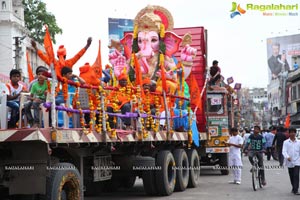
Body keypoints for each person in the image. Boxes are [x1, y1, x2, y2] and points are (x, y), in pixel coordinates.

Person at [282, 128, 300, 195]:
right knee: (291, 175)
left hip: (297, 161)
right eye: (291, 132)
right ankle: (294, 187)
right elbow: (284, 151)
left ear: (295, 133)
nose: (292, 134)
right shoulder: (286, 142)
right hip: (289, 161)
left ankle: (296, 189)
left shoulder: (299, 142)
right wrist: (287, 157)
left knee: (296, 175)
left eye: (294, 132)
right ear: (289, 133)